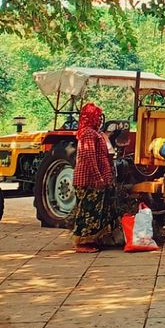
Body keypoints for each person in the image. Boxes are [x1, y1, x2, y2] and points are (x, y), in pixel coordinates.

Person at [65, 101, 117, 253]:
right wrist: (98, 177)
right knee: (88, 211)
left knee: (97, 211)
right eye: (97, 117)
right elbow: (89, 156)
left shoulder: (96, 133)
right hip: (89, 179)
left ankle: (94, 239)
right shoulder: (88, 133)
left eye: (101, 117)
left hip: (97, 178)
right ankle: (82, 243)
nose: (100, 120)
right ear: (90, 117)